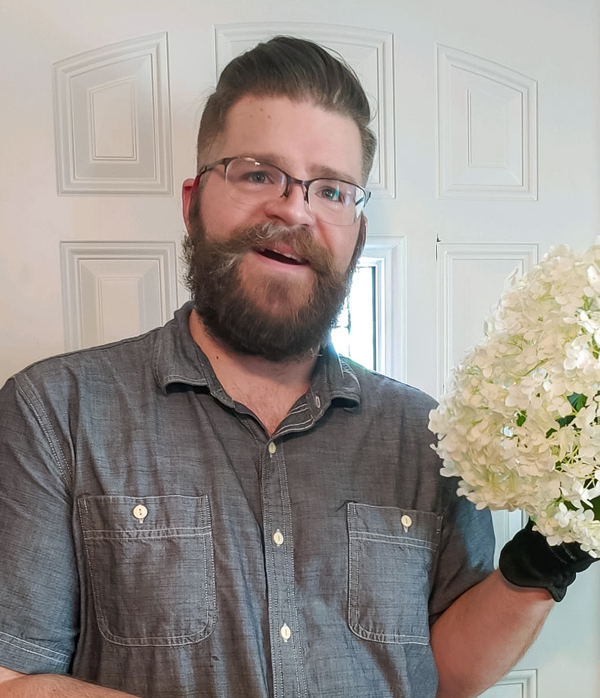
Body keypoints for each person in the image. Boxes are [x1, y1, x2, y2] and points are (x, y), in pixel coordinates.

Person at [0, 36, 593, 698]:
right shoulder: (54, 411)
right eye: (258, 173)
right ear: (194, 201)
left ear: (355, 236)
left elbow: (446, 674)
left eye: (332, 190)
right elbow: (14, 676)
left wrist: (545, 559)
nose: (294, 207)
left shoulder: (428, 435)